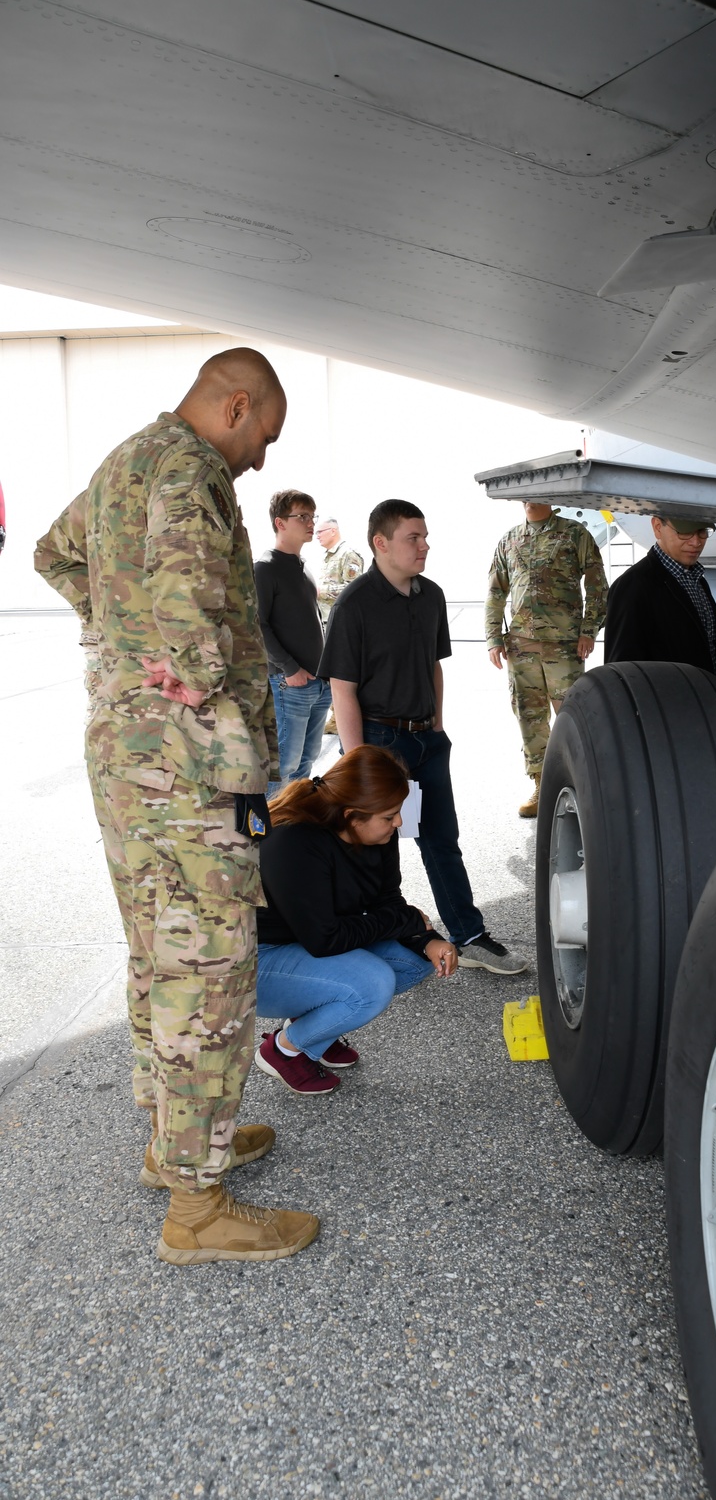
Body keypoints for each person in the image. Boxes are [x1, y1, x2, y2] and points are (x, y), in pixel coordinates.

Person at [34, 346, 320, 1266]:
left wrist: (120, 642)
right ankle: (197, 1210)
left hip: (126, 753)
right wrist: (189, 673)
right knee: (210, 964)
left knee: (161, 952)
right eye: (263, 436)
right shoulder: (192, 468)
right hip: (187, 764)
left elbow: (54, 552)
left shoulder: (125, 458)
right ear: (235, 406)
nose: (261, 461)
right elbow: (189, 599)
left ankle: (176, 1145)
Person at [319, 498, 529, 976]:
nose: (424, 546)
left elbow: (432, 666)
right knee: (377, 844)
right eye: (413, 537)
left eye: (425, 536)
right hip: (379, 742)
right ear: (381, 543)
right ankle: (371, 937)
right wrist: (360, 763)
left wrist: (436, 727)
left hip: (425, 742)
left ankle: (469, 935)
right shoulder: (354, 605)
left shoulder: (431, 596)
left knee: (440, 839)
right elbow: (342, 689)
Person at [253, 745, 457, 1094]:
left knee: (418, 960)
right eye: (390, 815)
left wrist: (427, 939)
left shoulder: (375, 832)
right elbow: (325, 939)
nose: (399, 823)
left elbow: (388, 902)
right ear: (351, 815)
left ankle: (314, 1027)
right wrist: (404, 920)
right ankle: (284, 1050)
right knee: (372, 983)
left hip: (305, 945)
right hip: (256, 961)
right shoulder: (293, 842)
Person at [485, 501, 608, 817]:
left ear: (551, 497)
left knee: (572, 717)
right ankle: (542, 785)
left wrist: (588, 630)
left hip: (564, 645)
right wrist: (493, 638)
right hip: (521, 647)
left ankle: (582, 783)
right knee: (530, 717)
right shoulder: (509, 539)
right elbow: (496, 593)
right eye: (524, 495)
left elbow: (597, 587)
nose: (529, 500)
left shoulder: (574, 533)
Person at [603, 514, 716, 692]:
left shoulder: (698, 581)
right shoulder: (632, 586)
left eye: (702, 532)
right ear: (658, 527)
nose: (696, 542)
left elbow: (714, 653)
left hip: (709, 709)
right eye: (684, 532)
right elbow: (621, 674)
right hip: (669, 714)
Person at [254, 489, 331, 795]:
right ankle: (270, 838)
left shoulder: (302, 567)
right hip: (290, 685)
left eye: (312, 516)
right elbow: (257, 625)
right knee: (284, 766)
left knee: (306, 764)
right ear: (280, 523)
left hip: (319, 684)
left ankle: (293, 829)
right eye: (302, 516)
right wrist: (289, 669)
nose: (311, 522)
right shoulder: (265, 567)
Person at [315, 515, 364, 736]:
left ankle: (346, 718)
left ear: (333, 531)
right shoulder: (329, 557)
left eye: (320, 532)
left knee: (342, 672)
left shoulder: (348, 554)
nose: (316, 536)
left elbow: (353, 589)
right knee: (333, 672)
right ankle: (338, 717)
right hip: (328, 622)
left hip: (342, 624)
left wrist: (319, 592)